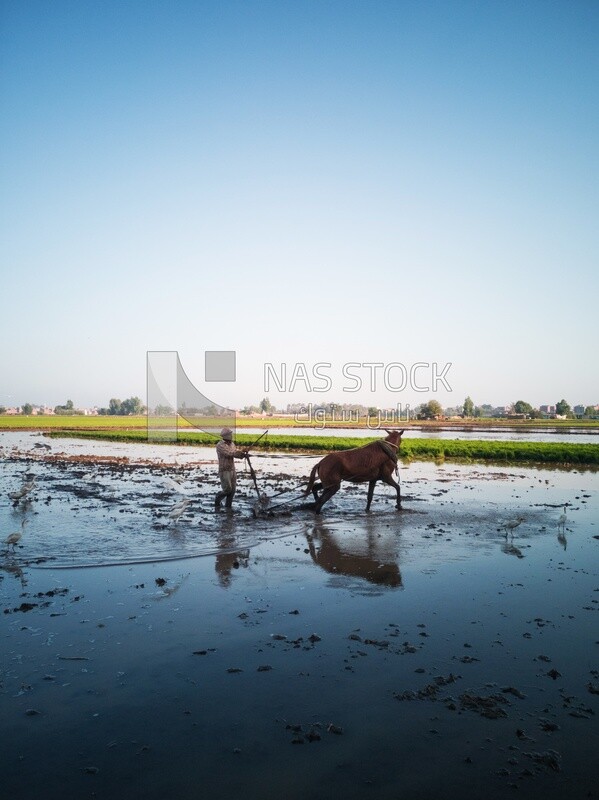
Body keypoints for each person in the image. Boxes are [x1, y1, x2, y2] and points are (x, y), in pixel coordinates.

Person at [215, 427, 248, 509]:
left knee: (232, 491)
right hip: (224, 470)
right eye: (230, 434)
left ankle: (228, 507)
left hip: (232, 469)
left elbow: (235, 453)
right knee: (227, 489)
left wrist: (242, 454)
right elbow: (230, 453)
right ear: (225, 436)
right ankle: (217, 499)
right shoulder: (220, 445)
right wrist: (241, 452)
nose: (231, 436)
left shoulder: (232, 444)